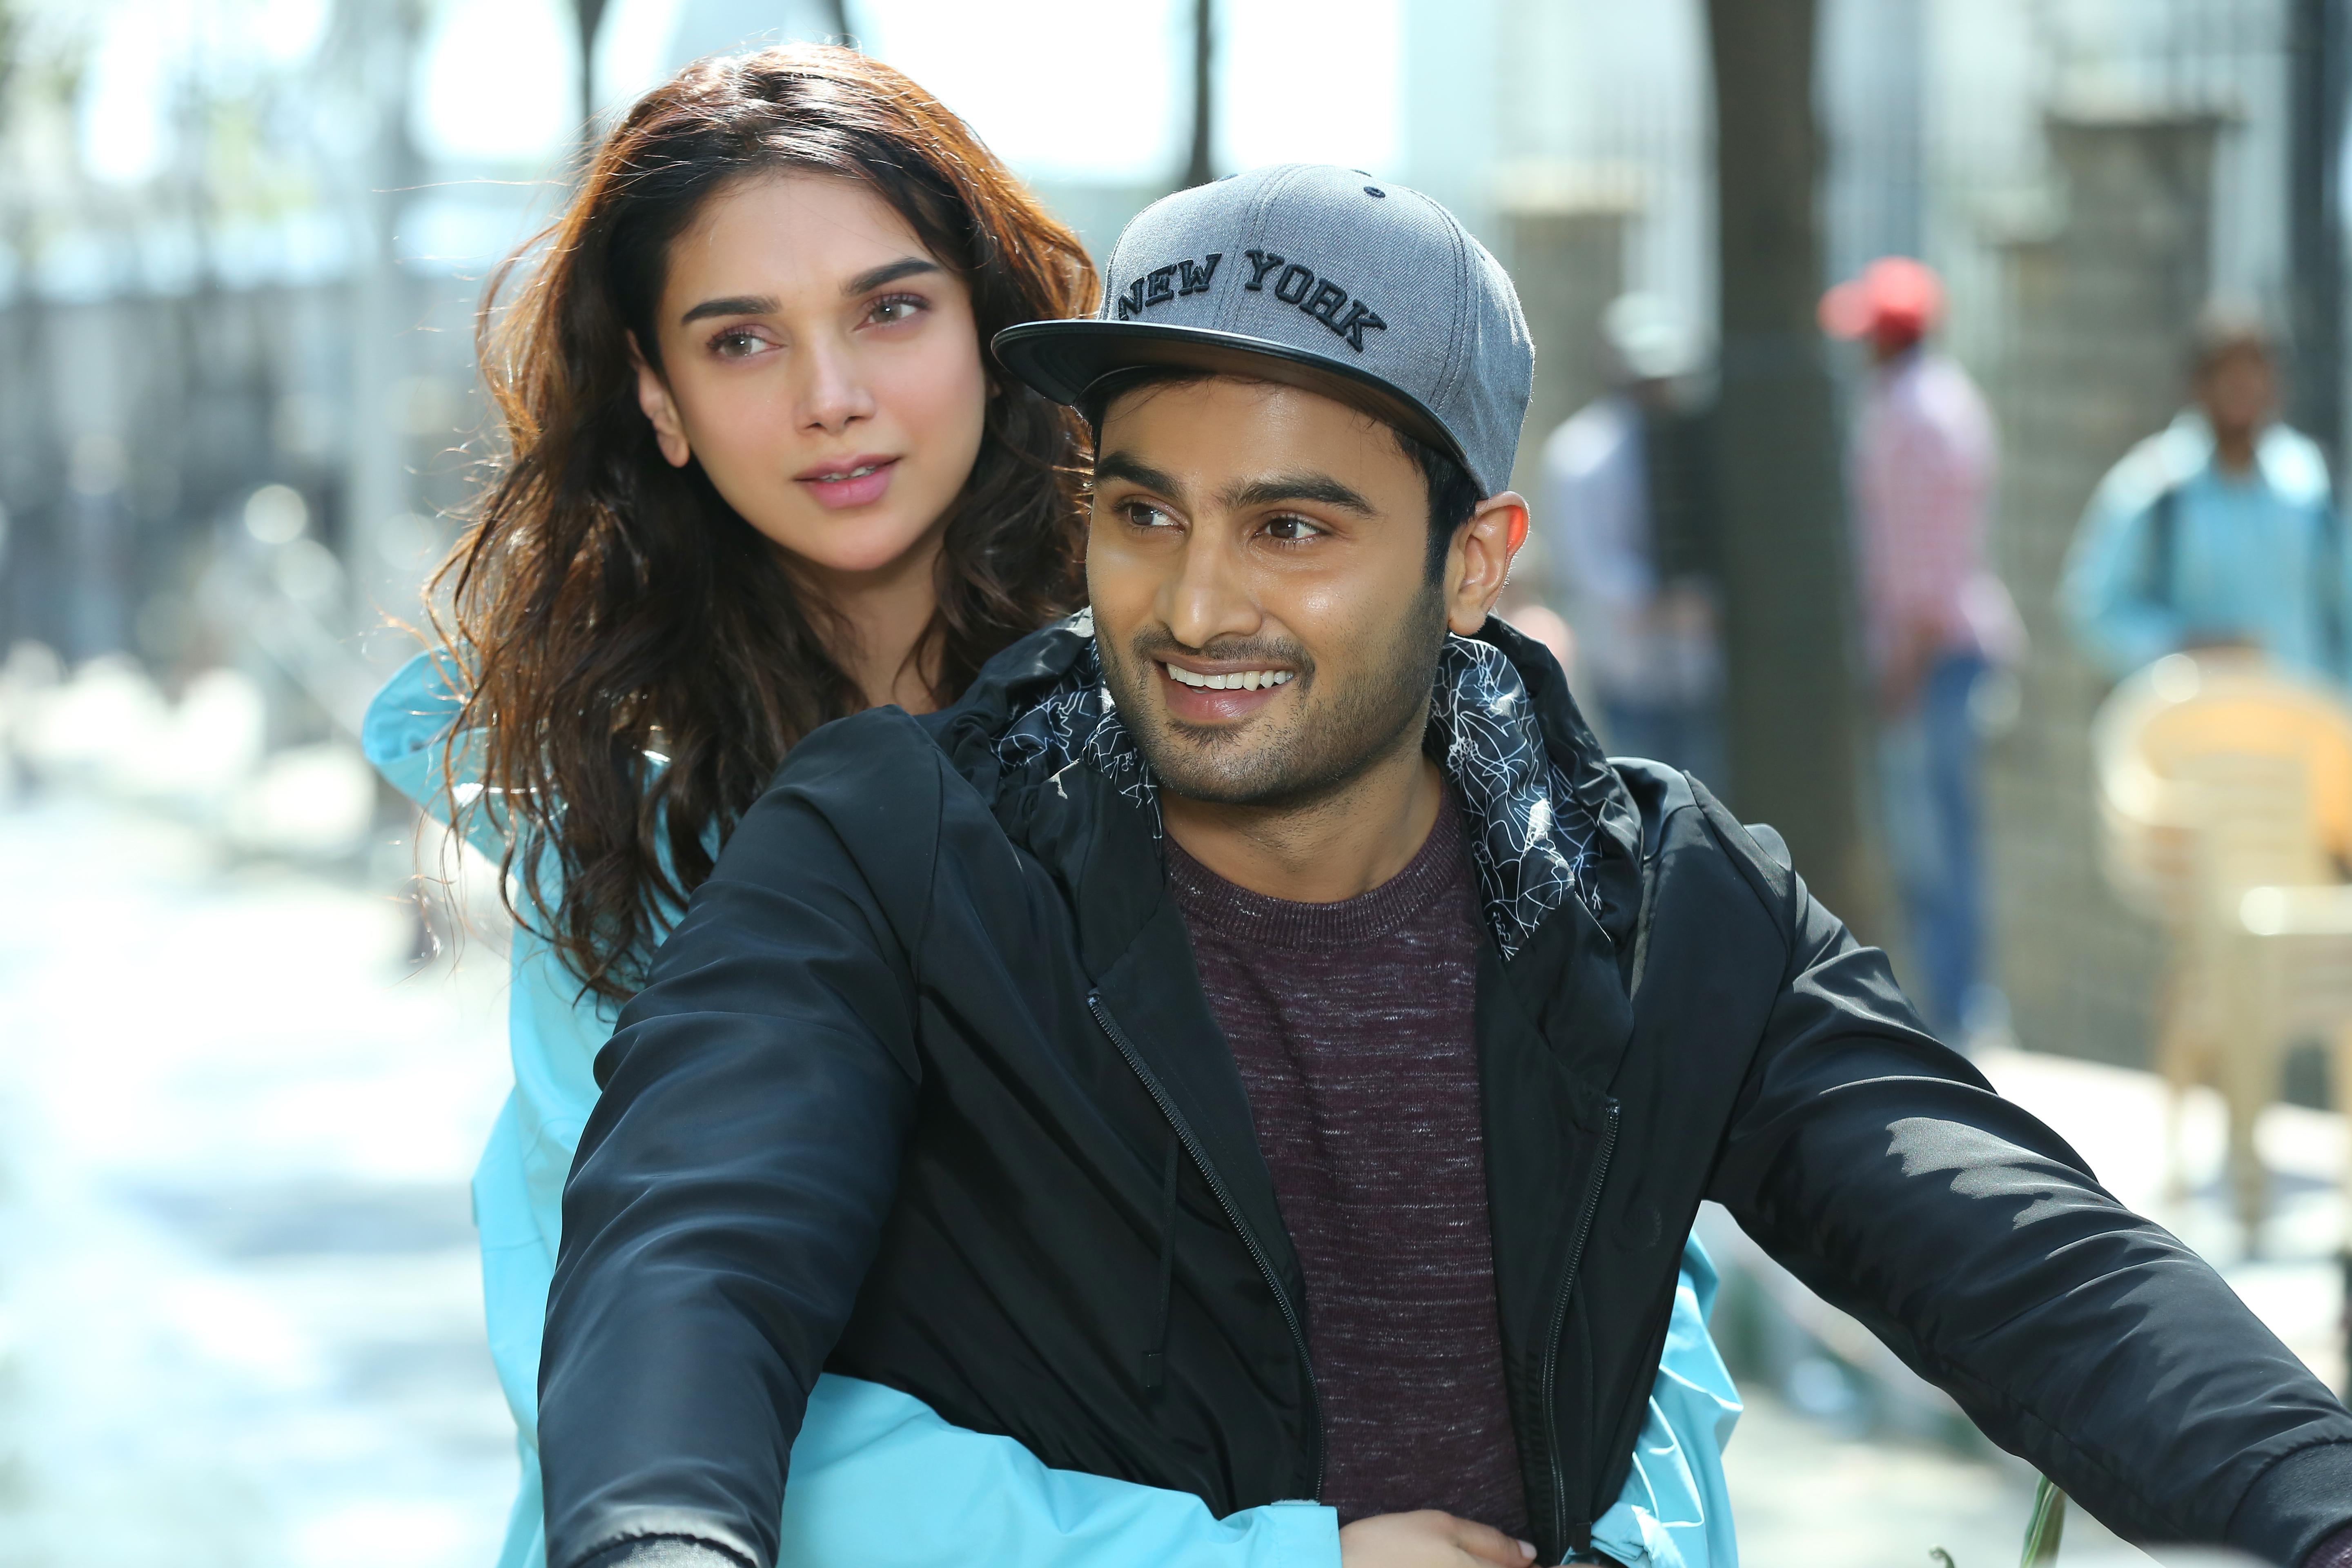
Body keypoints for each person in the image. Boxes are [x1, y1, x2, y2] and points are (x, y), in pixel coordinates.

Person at [541, 164, 2352, 1568]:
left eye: (1292, 527)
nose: (1193, 602)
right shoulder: (899, 846)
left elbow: (2026, 1256)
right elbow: (692, 1243)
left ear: (1474, 559)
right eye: (1142, 510)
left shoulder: (1659, 904)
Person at [364, 55, 1733, 1568]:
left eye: (890, 310)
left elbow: (1601, 1219)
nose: (831, 398)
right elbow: (657, 1376)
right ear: (656, 396)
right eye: (741, 339)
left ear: (990, 328)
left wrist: (1633, 1543)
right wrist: (1272, 1561)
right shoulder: (623, 860)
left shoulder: (1237, 698)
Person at [1820, 256, 2021, 1044]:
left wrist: (1902, 662)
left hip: (1928, 659)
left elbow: (1920, 561)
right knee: (1945, 839)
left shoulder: (1910, 417)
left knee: (1931, 847)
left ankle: (1954, 1014)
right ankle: (1956, 1006)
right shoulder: (1943, 401)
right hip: (1944, 651)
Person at [2063, 305, 2350, 690]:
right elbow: (2094, 611)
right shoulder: (2154, 486)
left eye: (2254, 371)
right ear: (2197, 384)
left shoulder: (2311, 485)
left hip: (2297, 718)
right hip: (2191, 718)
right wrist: (2181, 647)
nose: (2242, 387)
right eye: (2226, 373)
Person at [1537, 294, 1723, 784]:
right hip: (1627, 670)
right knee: (1643, 799)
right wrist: (1665, 606)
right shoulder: (1582, 455)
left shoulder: (1699, 442)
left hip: (1700, 670)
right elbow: (1587, 566)